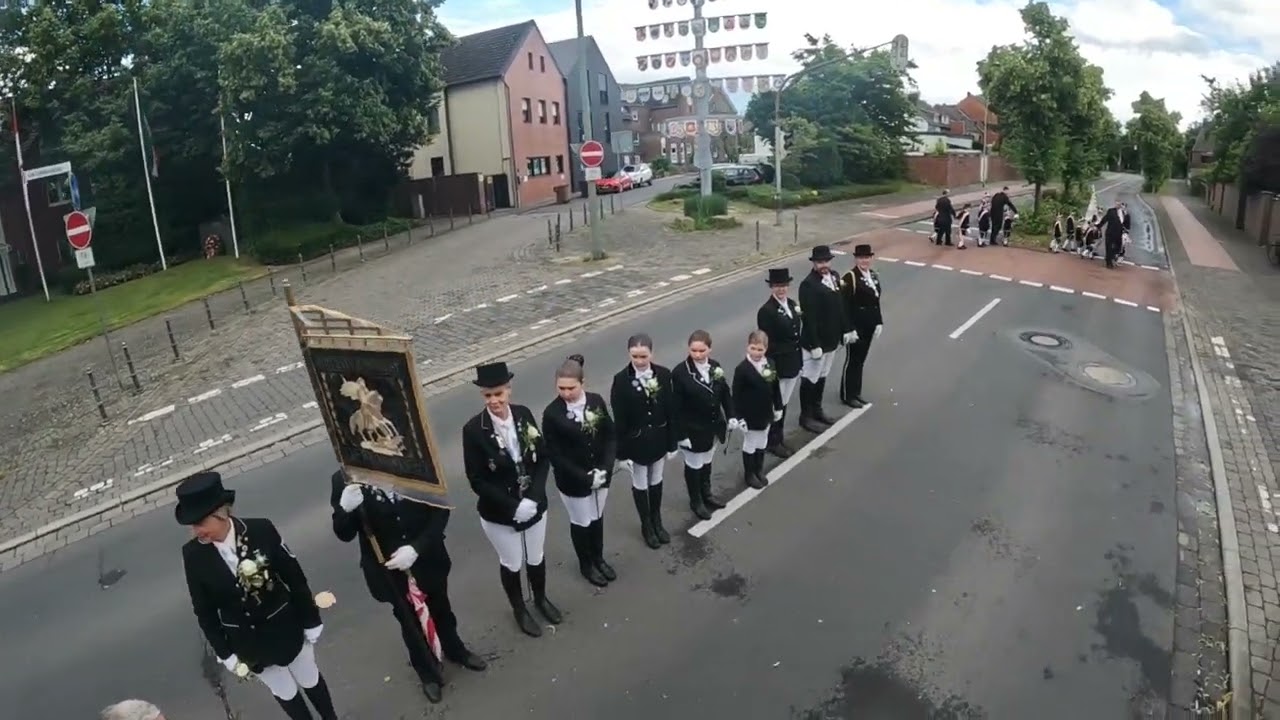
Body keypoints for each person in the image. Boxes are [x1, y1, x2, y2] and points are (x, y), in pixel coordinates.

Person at [176, 472, 338, 720]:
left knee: (310, 678)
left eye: (200, 522)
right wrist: (225, 652)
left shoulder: (261, 529)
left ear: (221, 514)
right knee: (284, 692)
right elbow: (204, 611)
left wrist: (311, 619)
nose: (196, 531)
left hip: (287, 628)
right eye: (193, 525)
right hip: (248, 644)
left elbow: (294, 577)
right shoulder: (193, 555)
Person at [329, 471, 486, 705]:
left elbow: (440, 510)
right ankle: (427, 671)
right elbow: (344, 533)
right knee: (408, 620)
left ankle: (455, 649)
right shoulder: (346, 478)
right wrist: (345, 509)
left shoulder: (414, 462)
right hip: (389, 571)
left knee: (441, 607)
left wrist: (416, 548)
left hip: (425, 558)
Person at [461, 361, 560, 638]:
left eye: (499, 394)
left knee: (536, 556)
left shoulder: (524, 415)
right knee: (513, 561)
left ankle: (540, 599)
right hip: (500, 513)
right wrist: (513, 506)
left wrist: (535, 497)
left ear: (509, 391)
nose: (494, 401)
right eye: (488, 396)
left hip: (533, 503)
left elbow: (542, 459)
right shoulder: (473, 430)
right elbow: (477, 480)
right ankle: (520, 609)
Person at [542, 354, 618, 587]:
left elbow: (609, 436)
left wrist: (605, 469)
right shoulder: (552, 413)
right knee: (582, 521)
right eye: (561, 388)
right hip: (573, 480)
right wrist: (585, 477)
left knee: (597, 517)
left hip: (600, 475)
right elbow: (555, 454)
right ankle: (586, 564)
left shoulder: (595, 401)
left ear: (582, 383)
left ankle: (598, 557)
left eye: (571, 388)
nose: (566, 393)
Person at [610, 333, 678, 549]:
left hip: (658, 437)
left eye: (643, 356)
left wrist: (672, 442)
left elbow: (671, 410)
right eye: (635, 356)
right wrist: (621, 454)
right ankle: (646, 524)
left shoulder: (664, 375)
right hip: (636, 442)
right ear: (629, 354)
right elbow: (619, 420)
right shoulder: (621, 380)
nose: (639, 361)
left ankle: (657, 520)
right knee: (640, 481)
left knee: (656, 478)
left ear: (651, 353)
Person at [672, 329, 738, 521]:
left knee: (707, 461)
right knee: (694, 465)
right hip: (693, 429)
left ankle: (706, 493)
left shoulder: (715, 367)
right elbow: (676, 408)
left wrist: (731, 414)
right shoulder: (680, 373)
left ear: (710, 349)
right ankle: (696, 500)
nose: (698, 355)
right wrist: (681, 435)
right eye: (694, 351)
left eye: (702, 351)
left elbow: (725, 392)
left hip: (713, 426)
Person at [797, 245, 846, 432]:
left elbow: (839, 306)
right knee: (810, 378)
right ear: (814, 263)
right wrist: (815, 344)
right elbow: (809, 317)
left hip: (831, 340)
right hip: (814, 342)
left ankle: (817, 410)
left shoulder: (834, 277)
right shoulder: (808, 285)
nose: (823, 265)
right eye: (819, 262)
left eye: (826, 261)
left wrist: (845, 330)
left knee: (823, 375)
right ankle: (806, 416)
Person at [755, 268, 802, 458]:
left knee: (785, 401)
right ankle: (773, 441)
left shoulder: (791, 304)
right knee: (777, 403)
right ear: (771, 287)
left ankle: (778, 437)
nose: (781, 289)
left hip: (794, 360)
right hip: (780, 363)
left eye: (783, 285)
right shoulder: (766, 311)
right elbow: (768, 343)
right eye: (777, 286)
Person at [732, 330, 784, 489]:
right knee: (750, 442)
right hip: (750, 414)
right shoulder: (742, 369)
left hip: (766, 411)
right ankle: (750, 473)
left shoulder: (770, 364)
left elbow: (775, 387)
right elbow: (736, 395)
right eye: (753, 348)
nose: (756, 352)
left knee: (762, 440)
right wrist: (739, 417)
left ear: (766, 349)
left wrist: (778, 406)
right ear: (748, 347)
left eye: (760, 349)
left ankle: (759, 469)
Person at [838, 244, 884, 408]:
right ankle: (847, 394)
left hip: (869, 325)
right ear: (856, 259)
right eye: (861, 258)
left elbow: (875, 302)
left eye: (867, 257)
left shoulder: (873, 275)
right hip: (856, 327)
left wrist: (879, 321)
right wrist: (848, 329)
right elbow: (843, 305)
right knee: (852, 360)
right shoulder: (849, 278)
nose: (864, 261)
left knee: (860, 361)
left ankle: (856, 392)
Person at [1099, 200, 1126, 269]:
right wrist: (1098, 226)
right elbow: (1105, 219)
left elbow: (1123, 223)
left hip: (1118, 234)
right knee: (1109, 247)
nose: (1118, 205)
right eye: (1117, 204)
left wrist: (1125, 231)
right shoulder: (1111, 211)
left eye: (1119, 204)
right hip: (1110, 233)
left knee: (1118, 247)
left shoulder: (1123, 213)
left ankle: (1112, 257)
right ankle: (1108, 262)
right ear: (1115, 204)